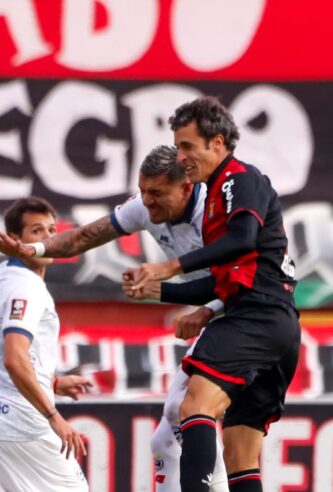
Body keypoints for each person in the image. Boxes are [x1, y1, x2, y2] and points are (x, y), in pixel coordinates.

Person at [0, 145, 229, 492]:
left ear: (186, 188)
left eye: (156, 193)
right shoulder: (144, 207)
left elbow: (250, 278)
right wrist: (33, 250)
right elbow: (82, 237)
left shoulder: (219, 211)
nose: (146, 201)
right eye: (142, 191)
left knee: (194, 418)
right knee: (172, 433)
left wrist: (206, 310)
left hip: (247, 319)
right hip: (221, 318)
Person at [127, 96, 300, 492]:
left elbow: (243, 239)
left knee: (194, 407)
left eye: (187, 146)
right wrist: (160, 291)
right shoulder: (219, 194)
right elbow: (224, 278)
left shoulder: (239, 179)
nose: (181, 155)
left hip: (255, 317)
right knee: (240, 452)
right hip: (276, 325)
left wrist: (171, 265)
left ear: (217, 143)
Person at [0, 197, 92, 492]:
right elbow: (14, 358)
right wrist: (53, 416)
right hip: (19, 428)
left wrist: (52, 382)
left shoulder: (1, 276)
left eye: (52, 229)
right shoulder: (27, 286)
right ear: (15, 240)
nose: (47, 237)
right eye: (37, 230)